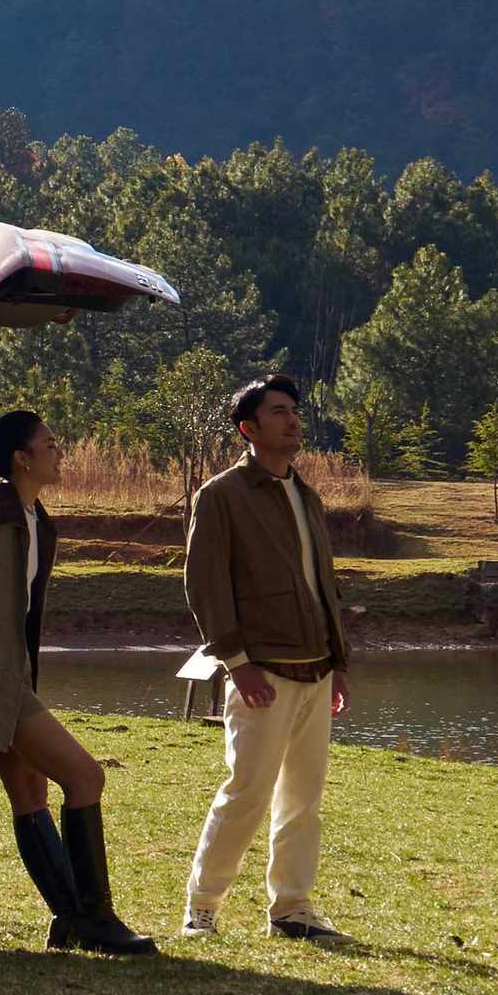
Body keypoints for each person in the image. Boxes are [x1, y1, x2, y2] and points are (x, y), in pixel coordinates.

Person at [0, 411, 157, 955]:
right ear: (23, 458)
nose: (61, 453)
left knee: (29, 795)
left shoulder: (34, 518)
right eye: (51, 444)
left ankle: (69, 919)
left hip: (13, 673)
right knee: (86, 778)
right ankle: (98, 918)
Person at [180, 373, 353, 941]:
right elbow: (205, 585)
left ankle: (292, 908)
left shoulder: (307, 496)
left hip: (317, 669)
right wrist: (238, 662)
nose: (293, 420)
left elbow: (324, 585)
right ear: (248, 429)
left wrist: (339, 662)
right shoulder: (221, 495)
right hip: (262, 672)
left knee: (304, 800)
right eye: (278, 412)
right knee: (247, 793)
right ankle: (202, 906)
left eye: (295, 411)